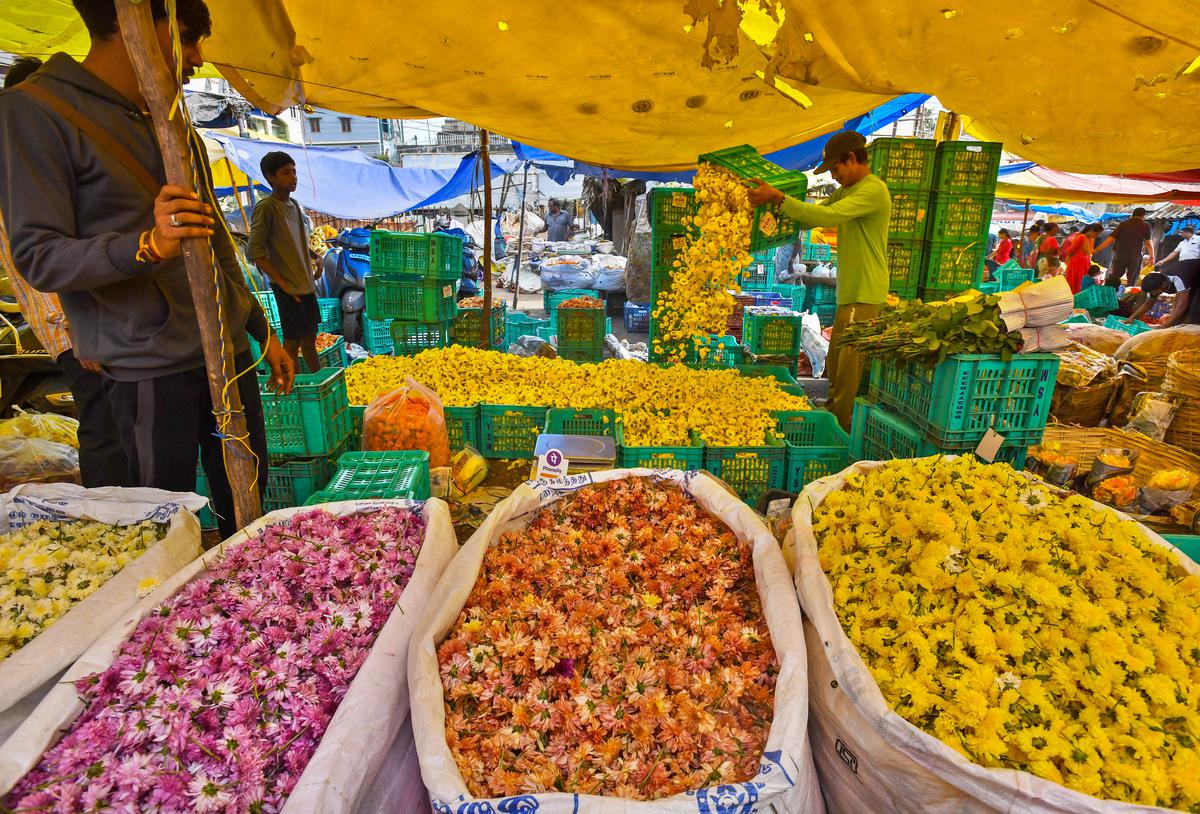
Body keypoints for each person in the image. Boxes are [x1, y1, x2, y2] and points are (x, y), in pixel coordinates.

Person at [0, 0, 294, 539]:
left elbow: (218, 248)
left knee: (247, 493)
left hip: (225, 354)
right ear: (128, 22)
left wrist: (261, 331)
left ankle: (254, 608)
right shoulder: (35, 111)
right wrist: (147, 245)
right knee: (159, 516)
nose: (199, 58)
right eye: (187, 37)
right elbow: (39, 256)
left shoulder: (176, 127)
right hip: (148, 366)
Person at [0, 56, 131, 488]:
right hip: (74, 331)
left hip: (87, 325)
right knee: (104, 430)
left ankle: (124, 516)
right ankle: (113, 518)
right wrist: (78, 330)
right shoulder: (19, 171)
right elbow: (41, 267)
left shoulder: (33, 161)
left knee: (113, 427)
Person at [748, 130, 889, 430]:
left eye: (836, 169)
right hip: (850, 290)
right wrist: (775, 206)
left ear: (851, 159)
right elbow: (814, 217)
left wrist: (780, 197)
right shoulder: (846, 191)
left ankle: (838, 422)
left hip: (865, 290)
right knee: (837, 359)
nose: (835, 177)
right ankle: (832, 409)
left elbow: (828, 218)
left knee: (849, 362)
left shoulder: (872, 190)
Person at [247, 151, 321, 372]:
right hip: (288, 289)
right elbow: (255, 252)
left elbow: (295, 240)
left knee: (309, 340)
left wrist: (315, 257)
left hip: (306, 285)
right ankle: (294, 388)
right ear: (271, 177)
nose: (293, 177)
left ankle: (319, 383)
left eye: (294, 172)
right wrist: (283, 283)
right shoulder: (267, 207)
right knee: (292, 341)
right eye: (286, 173)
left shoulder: (294, 205)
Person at [1094, 207, 1154, 287]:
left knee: (1114, 276)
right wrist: (1152, 256)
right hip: (1135, 256)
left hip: (1120, 255)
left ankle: (1108, 291)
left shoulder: (1123, 224)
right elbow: (1148, 242)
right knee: (1132, 279)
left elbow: (1110, 239)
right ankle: (1129, 295)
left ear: (1133, 214)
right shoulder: (1145, 226)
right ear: (1143, 216)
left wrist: (1097, 249)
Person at [1062, 223, 1104, 294]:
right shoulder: (1081, 237)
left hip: (1084, 264)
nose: (1097, 236)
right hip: (1076, 264)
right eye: (1096, 234)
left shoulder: (1090, 239)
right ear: (1091, 230)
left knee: (1080, 284)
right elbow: (1069, 251)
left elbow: (1090, 252)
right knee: (1075, 284)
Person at [1157, 259, 1200, 328]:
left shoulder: (1178, 278)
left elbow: (1182, 306)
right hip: (1196, 282)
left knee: (1194, 317)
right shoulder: (1162, 278)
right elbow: (1148, 302)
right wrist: (1133, 317)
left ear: (1164, 285)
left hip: (1196, 283)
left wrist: (1163, 327)